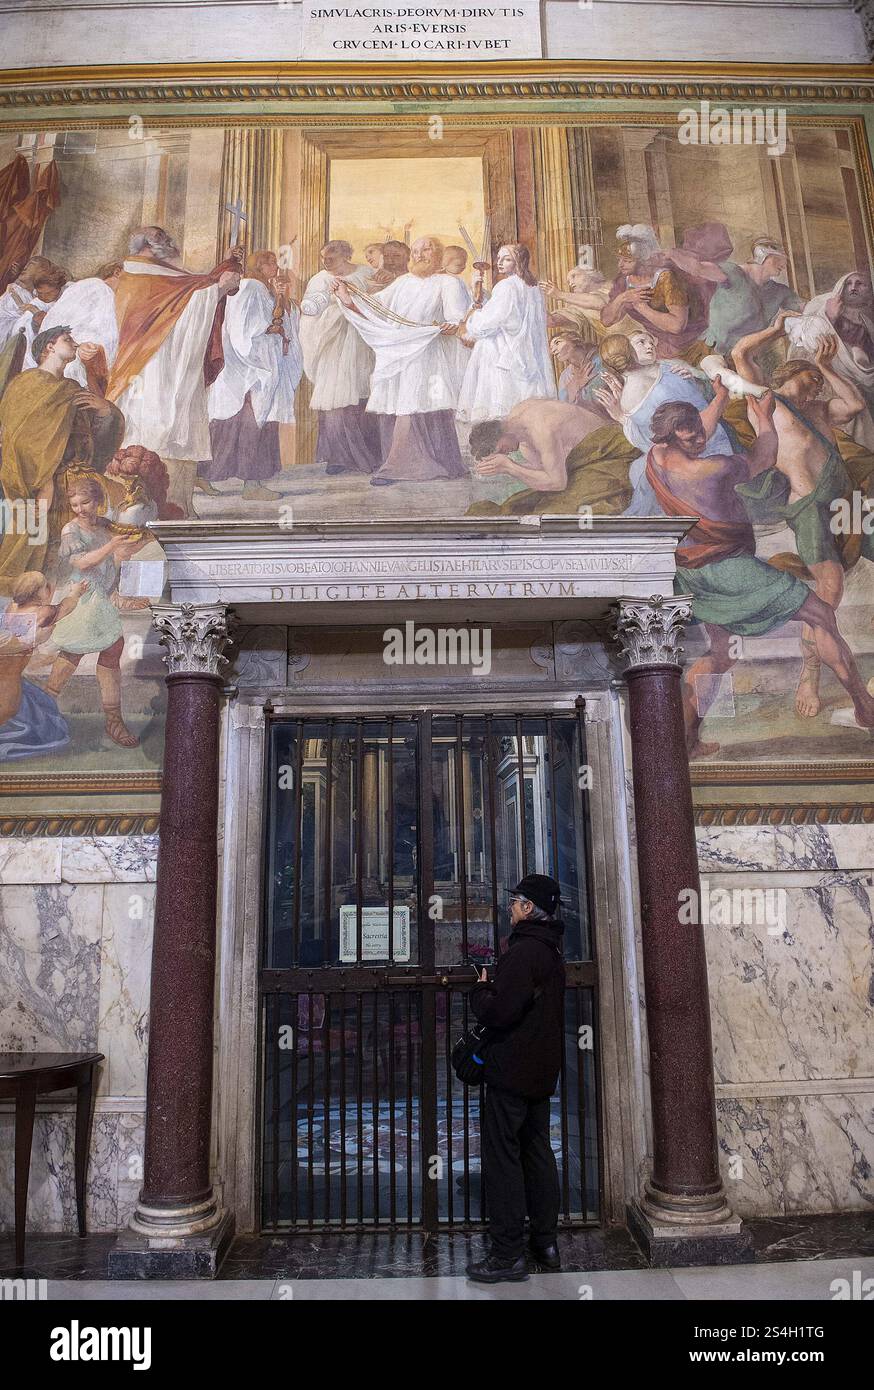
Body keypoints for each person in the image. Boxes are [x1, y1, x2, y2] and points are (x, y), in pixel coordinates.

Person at [644, 391, 874, 755]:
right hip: (730, 571)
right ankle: (866, 709)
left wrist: (719, 397)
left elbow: (694, 427)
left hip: (692, 572)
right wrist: (763, 418)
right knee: (821, 614)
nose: (701, 438)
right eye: (692, 434)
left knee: (721, 653)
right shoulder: (714, 469)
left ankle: (687, 743)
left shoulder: (656, 457)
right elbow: (764, 457)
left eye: (698, 429)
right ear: (673, 435)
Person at [732, 319, 870, 717]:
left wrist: (826, 366)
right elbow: (741, 353)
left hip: (846, 504)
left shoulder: (821, 410)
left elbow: (856, 405)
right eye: (811, 378)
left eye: (819, 382)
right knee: (827, 596)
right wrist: (775, 329)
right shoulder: (766, 402)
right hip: (809, 507)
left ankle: (816, 671)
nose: (817, 387)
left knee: (828, 595)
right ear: (791, 373)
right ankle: (811, 673)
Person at [466, 873, 566, 1284]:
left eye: (515, 901)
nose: (510, 907)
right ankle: (545, 1242)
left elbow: (501, 1012)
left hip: (511, 1072)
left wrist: (480, 991)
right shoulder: (552, 951)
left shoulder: (524, 952)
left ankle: (507, 1254)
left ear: (528, 909)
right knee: (538, 1152)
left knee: (503, 1158)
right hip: (541, 1072)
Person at [107, 224, 242, 516]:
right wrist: (219, 288)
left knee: (177, 429)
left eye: (164, 237)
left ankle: (179, 506)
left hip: (175, 367)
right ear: (143, 246)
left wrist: (222, 270)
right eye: (159, 238)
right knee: (154, 430)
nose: (166, 241)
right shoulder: (139, 275)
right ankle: (146, 508)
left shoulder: (160, 274)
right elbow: (188, 304)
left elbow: (191, 290)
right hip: (149, 367)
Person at [335, 234, 470, 485]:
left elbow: (458, 318)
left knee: (420, 403)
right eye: (416, 250)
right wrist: (347, 298)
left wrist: (451, 325)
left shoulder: (447, 282)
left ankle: (404, 467)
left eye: (426, 250)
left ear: (437, 255)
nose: (419, 255)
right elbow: (376, 307)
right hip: (398, 352)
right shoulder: (404, 282)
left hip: (427, 353)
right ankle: (404, 464)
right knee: (398, 404)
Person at [0, 325, 124, 592]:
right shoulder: (24, 385)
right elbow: (19, 442)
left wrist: (105, 412)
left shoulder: (70, 389)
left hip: (78, 481)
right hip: (43, 483)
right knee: (46, 551)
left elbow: (95, 439)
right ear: (49, 347)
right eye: (67, 339)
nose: (75, 343)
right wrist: (43, 481)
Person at [44, 473, 144, 747]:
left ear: (97, 500)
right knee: (73, 651)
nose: (80, 509)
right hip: (84, 597)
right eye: (75, 505)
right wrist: (112, 546)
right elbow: (82, 564)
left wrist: (130, 551)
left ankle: (113, 720)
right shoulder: (71, 530)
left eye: (85, 503)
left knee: (112, 648)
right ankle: (44, 708)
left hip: (102, 596)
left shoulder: (105, 525)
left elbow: (114, 561)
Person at [205, 248, 303, 499]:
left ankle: (208, 476)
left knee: (240, 423)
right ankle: (251, 485)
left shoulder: (262, 289)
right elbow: (242, 328)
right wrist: (271, 328)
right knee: (250, 424)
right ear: (257, 266)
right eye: (269, 262)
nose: (275, 267)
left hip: (256, 368)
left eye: (275, 262)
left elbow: (278, 319)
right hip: (249, 370)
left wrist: (280, 301)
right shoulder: (251, 287)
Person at [298, 239, 380, 475]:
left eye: (331, 257)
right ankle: (338, 457)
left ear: (345, 256)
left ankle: (369, 455)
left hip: (360, 341)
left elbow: (378, 298)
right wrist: (310, 307)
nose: (326, 262)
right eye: (324, 257)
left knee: (361, 394)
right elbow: (313, 304)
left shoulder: (365, 273)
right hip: (332, 344)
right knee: (334, 396)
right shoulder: (320, 279)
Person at [456, 243, 555, 424]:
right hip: (527, 354)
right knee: (524, 410)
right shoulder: (533, 288)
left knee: (500, 408)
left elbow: (489, 321)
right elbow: (506, 313)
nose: (499, 262)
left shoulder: (506, 286)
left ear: (519, 262)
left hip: (501, 352)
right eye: (499, 258)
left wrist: (471, 321)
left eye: (506, 259)